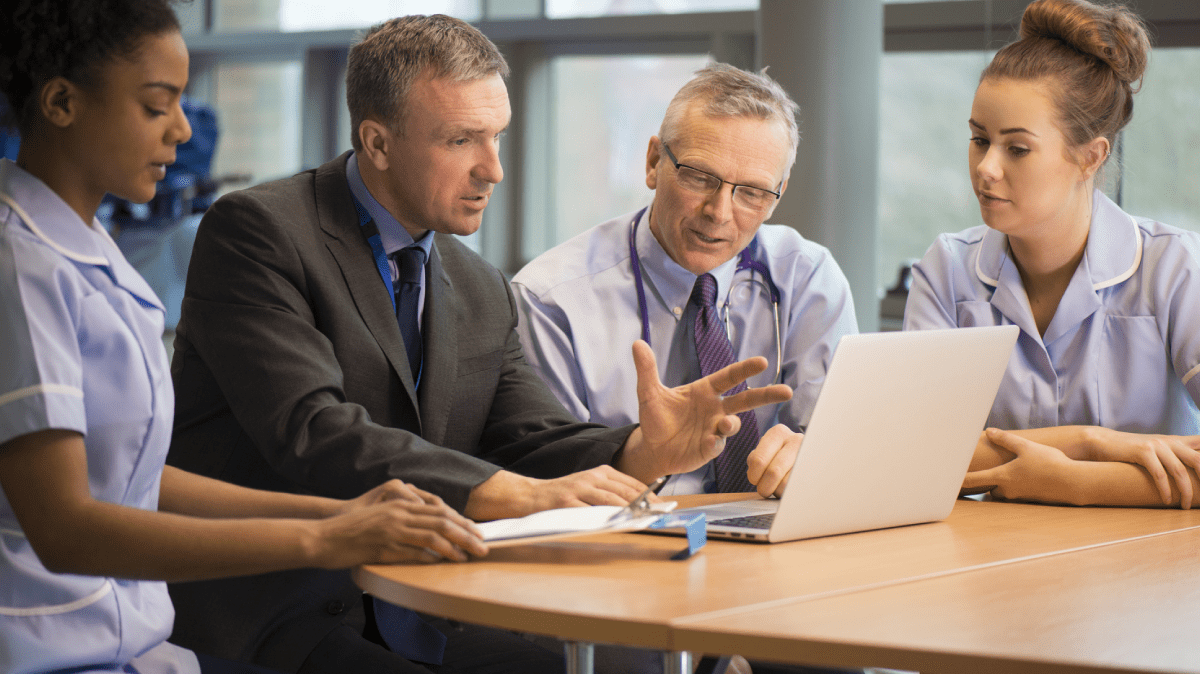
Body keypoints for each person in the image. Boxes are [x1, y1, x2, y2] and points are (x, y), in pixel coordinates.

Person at [165, 14, 791, 674]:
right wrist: (505, 492)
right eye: (462, 140)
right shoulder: (258, 232)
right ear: (377, 143)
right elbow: (313, 431)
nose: (491, 169)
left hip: (422, 601)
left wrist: (643, 449)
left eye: (496, 137)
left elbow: (525, 435)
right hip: (284, 607)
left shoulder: (477, 283)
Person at [0, 3, 493, 674]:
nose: (180, 130)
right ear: (61, 102)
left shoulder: (90, 249)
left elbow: (138, 477)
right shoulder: (20, 264)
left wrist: (338, 518)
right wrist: (322, 539)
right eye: (156, 106)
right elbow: (65, 529)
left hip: (132, 647)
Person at [903, 0, 1200, 509]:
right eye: (979, 140)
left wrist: (1076, 481)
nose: (986, 169)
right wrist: (1093, 443)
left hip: (1148, 577)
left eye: (1016, 148)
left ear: (1091, 156)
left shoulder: (1173, 267)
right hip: (985, 566)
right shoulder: (946, 270)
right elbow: (913, 455)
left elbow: (954, 461)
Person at [512, 63, 857, 498]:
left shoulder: (807, 277)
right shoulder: (550, 300)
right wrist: (644, 455)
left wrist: (814, 456)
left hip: (774, 537)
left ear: (778, 194)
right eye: (699, 177)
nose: (719, 212)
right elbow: (550, 475)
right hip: (627, 541)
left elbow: (839, 440)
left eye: (751, 192)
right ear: (654, 162)